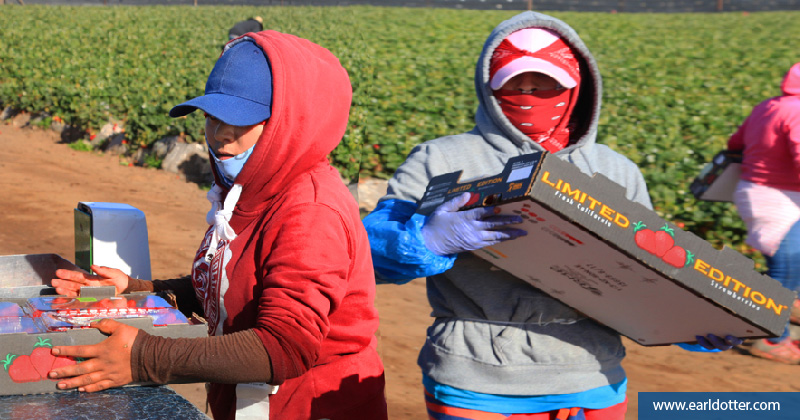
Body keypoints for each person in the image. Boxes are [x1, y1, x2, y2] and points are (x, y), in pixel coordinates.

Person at [363, 11, 740, 420]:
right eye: (513, 83)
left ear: (578, 88)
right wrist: (426, 241)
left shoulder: (616, 170)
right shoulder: (442, 158)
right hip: (475, 378)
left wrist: (691, 321)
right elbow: (366, 255)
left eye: (545, 83)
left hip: (593, 376)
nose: (528, 92)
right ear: (488, 86)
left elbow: (648, 272)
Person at [48, 31, 388, 420]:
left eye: (240, 120)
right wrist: (139, 292)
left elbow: (285, 346)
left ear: (288, 122)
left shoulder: (310, 210)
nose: (221, 133)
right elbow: (233, 295)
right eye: (212, 117)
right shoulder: (251, 189)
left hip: (310, 406)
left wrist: (145, 357)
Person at [727, 62, 800, 364]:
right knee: (784, 269)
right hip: (777, 198)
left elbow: (735, 144)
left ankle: (785, 313)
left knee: (789, 263)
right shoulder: (796, 111)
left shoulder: (768, 106)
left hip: (759, 193)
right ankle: (771, 338)